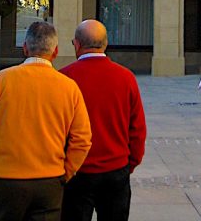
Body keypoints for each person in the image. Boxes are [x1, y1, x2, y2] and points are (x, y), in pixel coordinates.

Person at [0, 20, 92, 221]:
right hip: (48, 183)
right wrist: (65, 173)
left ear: (25, 48)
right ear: (55, 51)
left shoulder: (2, 80)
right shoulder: (69, 87)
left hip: (5, 181)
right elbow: (82, 139)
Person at [60, 19, 146, 221]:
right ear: (105, 44)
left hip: (76, 172)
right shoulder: (126, 77)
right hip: (115, 170)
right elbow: (138, 129)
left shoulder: (64, 78)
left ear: (77, 44)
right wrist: (130, 163)